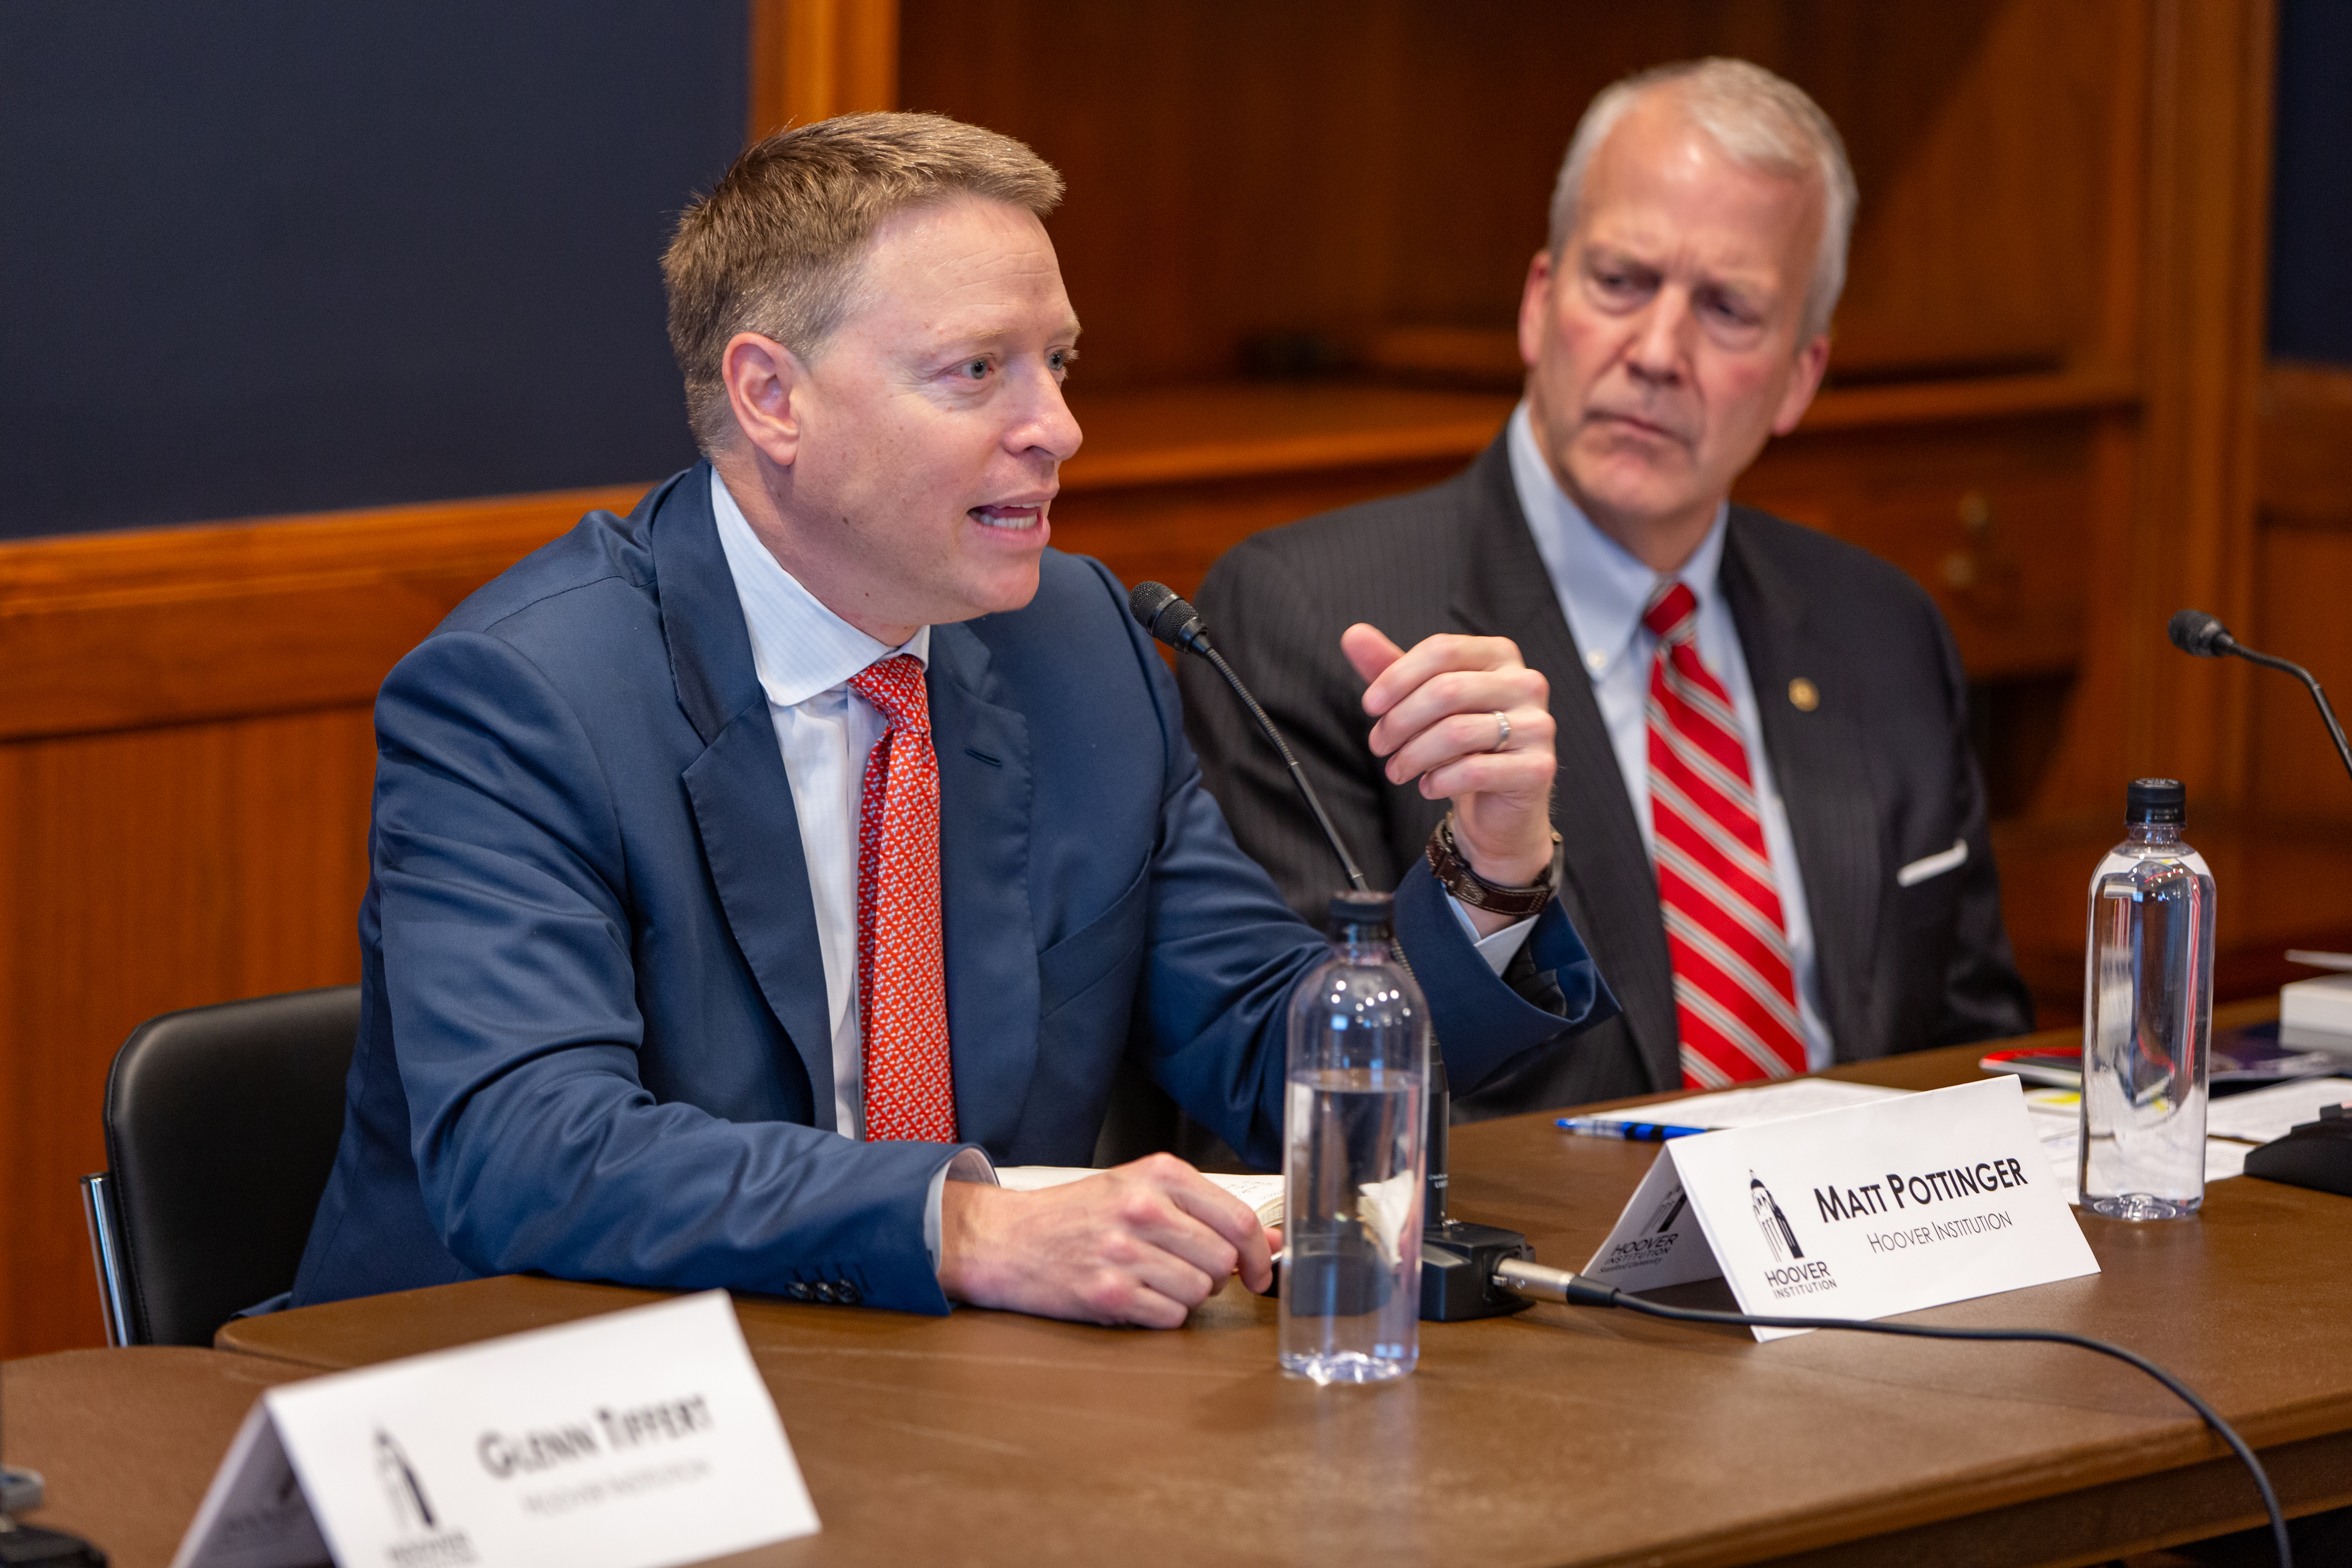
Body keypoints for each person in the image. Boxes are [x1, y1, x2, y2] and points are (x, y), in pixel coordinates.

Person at [290, 113, 1613, 1330]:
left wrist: (1489, 869)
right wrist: (964, 1229)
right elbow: (531, 1150)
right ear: (772, 398)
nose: (1059, 429)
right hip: (539, 1412)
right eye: (978, 369)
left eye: (1058, 363)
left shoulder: (1078, 646)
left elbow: (1279, 1060)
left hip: (930, 1411)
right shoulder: (529, 696)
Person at [1182, 59, 2033, 1116]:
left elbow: (1976, 1057)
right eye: (1622, 282)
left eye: (1727, 309)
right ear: (1541, 306)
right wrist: (1488, 885)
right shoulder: (1315, 621)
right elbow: (1294, 1102)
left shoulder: (1881, 627)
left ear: (1800, 378)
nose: (1658, 351)